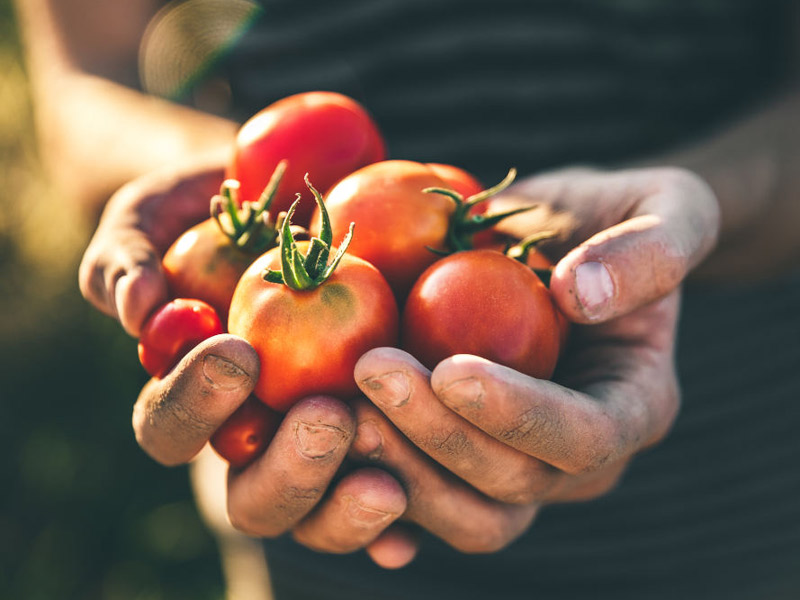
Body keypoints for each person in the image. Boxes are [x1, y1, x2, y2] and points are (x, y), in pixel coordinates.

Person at [16, 0, 800, 598]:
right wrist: (241, 192)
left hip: (740, 513)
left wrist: (699, 212)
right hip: (319, 534)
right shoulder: (325, 261)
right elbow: (87, 80)